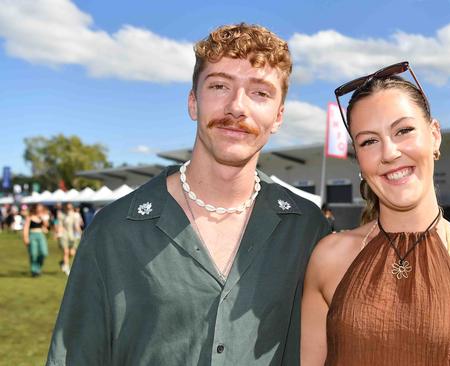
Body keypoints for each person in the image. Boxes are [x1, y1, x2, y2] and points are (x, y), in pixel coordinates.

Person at [47, 23, 330, 366]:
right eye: (220, 86)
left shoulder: (307, 229)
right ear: (193, 102)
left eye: (260, 93)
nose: (237, 106)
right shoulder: (114, 230)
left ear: (279, 116)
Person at [301, 62, 450, 365]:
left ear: (435, 136)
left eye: (403, 130)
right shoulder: (328, 257)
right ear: (358, 158)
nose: (389, 153)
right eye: (369, 141)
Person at [22, 204, 49, 277]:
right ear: (35, 209)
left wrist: (43, 219)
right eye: (38, 208)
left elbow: (47, 226)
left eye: (41, 208)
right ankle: (34, 270)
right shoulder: (30, 217)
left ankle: (38, 267)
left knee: (44, 252)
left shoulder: (43, 217)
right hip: (32, 235)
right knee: (33, 254)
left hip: (41, 235)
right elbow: (26, 228)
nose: (39, 210)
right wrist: (25, 238)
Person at [56, 202, 83, 275]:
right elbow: (60, 225)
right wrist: (58, 233)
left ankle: (63, 262)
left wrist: (81, 234)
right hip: (64, 235)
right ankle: (67, 268)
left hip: (72, 235)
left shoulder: (75, 215)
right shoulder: (61, 214)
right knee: (66, 252)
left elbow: (77, 226)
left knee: (72, 252)